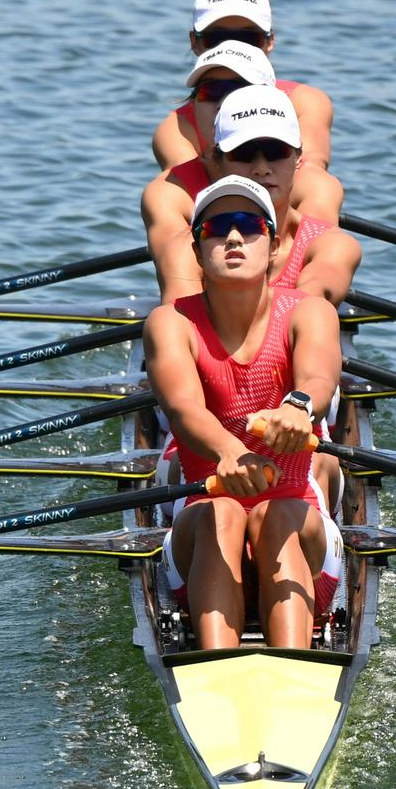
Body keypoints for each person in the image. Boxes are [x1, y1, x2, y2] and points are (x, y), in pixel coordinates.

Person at [144, 175, 346, 652]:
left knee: (277, 514)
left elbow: (318, 379)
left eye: (249, 225)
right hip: (203, 521)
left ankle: (294, 664)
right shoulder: (171, 323)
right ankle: (216, 664)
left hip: (299, 525)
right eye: (216, 228)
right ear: (197, 251)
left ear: (274, 246)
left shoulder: (309, 312)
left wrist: (299, 406)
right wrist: (228, 451)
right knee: (223, 510)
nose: (233, 237)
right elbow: (182, 407)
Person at [141, 84, 360, 308]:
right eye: (243, 153)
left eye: (276, 152)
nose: (261, 168)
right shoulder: (185, 249)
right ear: (216, 161)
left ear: (298, 158)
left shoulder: (330, 245)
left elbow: (311, 303)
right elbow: (180, 318)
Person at [152, 0, 335, 181]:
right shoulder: (175, 129)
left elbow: (311, 174)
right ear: (194, 42)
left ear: (270, 41)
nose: (232, 48)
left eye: (248, 39)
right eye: (217, 39)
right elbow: (183, 187)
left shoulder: (305, 102)